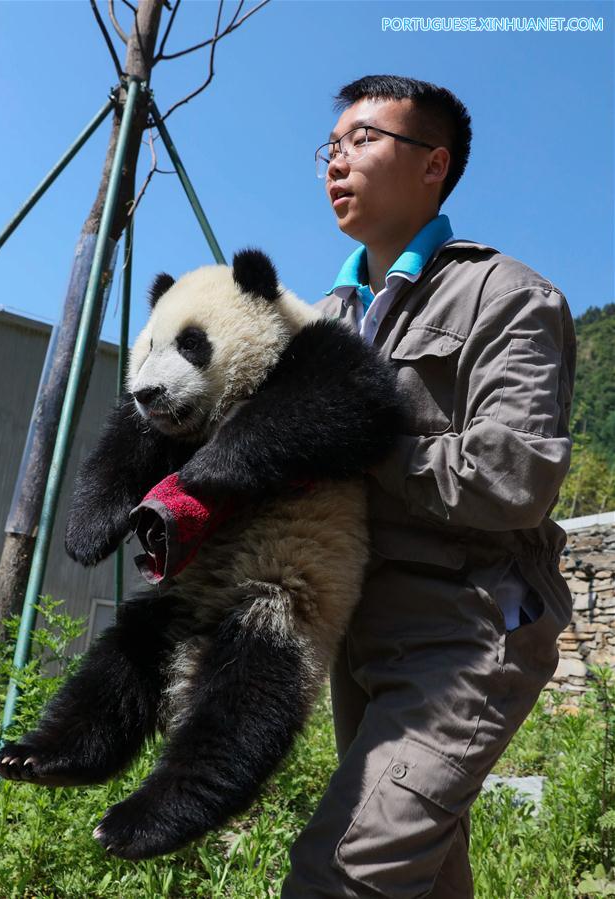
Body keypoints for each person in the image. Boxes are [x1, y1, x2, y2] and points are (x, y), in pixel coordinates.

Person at [280, 75, 576, 898]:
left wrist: (360, 440)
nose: (338, 160)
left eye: (363, 140)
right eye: (328, 148)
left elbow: (514, 478)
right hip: (361, 633)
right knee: (423, 870)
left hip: (466, 628)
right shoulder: (321, 320)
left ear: (432, 164)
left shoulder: (505, 295)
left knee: (343, 871)